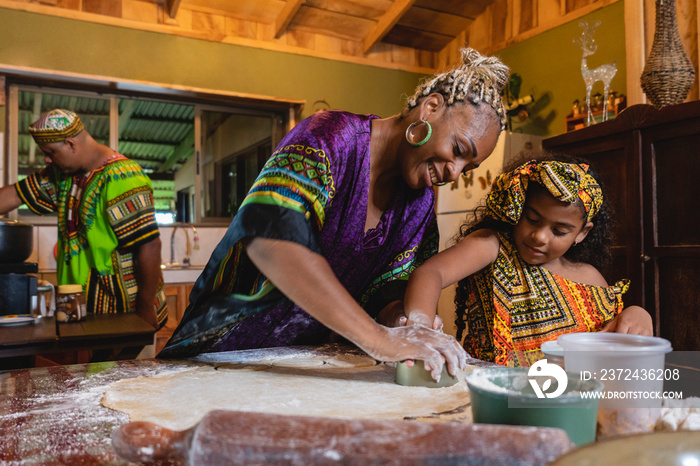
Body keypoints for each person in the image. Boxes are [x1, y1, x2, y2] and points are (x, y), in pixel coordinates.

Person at [159, 48, 510, 380]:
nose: (455, 172)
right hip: (214, 357)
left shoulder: (418, 203)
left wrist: (403, 322)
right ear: (430, 108)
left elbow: (384, 292)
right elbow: (272, 242)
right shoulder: (330, 138)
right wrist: (379, 339)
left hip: (296, 367)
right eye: (458, 150)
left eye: (468, 167)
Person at [401, 152, 653, 367]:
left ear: (582, 233)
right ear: (517, 208)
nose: (540, 236)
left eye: (559, 231)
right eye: (532, 219)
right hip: (495, 395)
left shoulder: (590, 278)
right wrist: (420, 332)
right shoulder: (494, 246)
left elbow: (610, 341)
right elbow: (429, 273)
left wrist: (638, 312)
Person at [0, 109, 167, 334]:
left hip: (127, 311)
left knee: (127, 370)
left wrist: (146, 309)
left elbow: (150, 245)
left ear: (71, 144)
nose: (47, 159)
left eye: (50, 152)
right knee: (93, 368)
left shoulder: (123, 177)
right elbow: (14, 195)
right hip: (85, 308)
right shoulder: (64, 176)